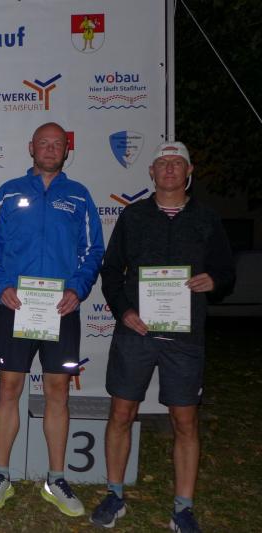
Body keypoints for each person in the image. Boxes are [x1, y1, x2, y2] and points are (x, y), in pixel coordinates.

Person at [91, 142, 235, 532]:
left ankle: (182, 508)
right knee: (122, 413)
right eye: (162, 163)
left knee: (184, 420)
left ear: (189, 172)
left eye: (176, 163)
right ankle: (114, 494)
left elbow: (226, 271)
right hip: (135, 332)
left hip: (185, 337)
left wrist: (215, 280)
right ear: (151, 172)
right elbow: (111, 272)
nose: (169, 169)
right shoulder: (133, 216)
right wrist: (125, 311)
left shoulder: (206, 218)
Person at [0, 122, 104, 517]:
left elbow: (93, 250)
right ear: (31, 147)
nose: (50, 149)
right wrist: (1, 285)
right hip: (16, 306)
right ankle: (1, 475)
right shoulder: (8, 192)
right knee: (9, 388)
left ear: (67, 150)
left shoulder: (79, 195)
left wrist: (77, 289)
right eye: (43, 143)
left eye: (57, 144)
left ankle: (56, 478)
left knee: (58, 391)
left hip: (62, 310)